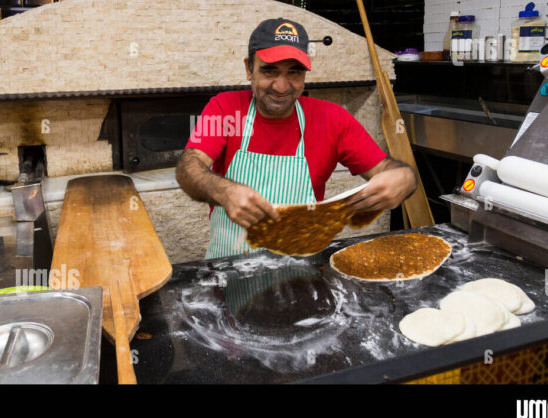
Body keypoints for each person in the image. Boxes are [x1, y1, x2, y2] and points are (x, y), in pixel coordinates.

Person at [176, 18, 418, 259]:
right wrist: (223, 191)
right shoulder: (225, 109)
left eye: (294, 72)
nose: (281, 87)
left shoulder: (332, 119)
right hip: (230, 265)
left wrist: (404, 178)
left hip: (302, 268)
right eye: (269, 71)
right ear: (249, 68)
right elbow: (188, 167)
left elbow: (388, 169)